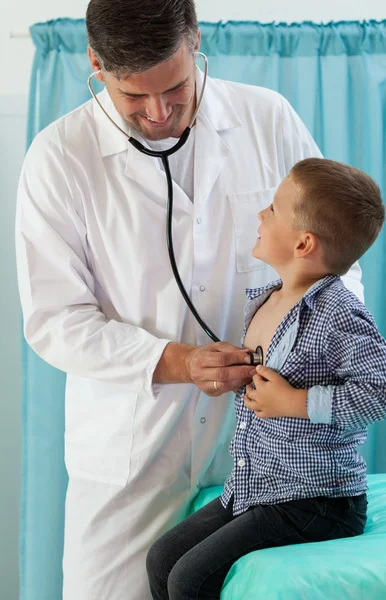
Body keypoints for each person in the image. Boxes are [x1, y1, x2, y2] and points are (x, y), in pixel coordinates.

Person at [15, 1, 363, 598]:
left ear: (196, 39)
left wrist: (309, 364)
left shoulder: (267, 118)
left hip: (267, 454)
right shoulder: (59, 158)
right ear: (96, 64)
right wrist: (179, 363)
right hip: (134, 460)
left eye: (176, 88)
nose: (159, 114)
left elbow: (335, 257)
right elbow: (55, 320)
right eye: (133, 97)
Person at [146, 158, 386, 600]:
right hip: (257, 486)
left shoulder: (339, 312)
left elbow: (380, 391)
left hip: (316, 498)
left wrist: (296, 402)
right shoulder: (267, 300)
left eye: (273, 210)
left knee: (189, 579)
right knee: (162, 559)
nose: (261, 215)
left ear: (303, 243)